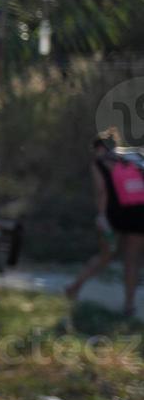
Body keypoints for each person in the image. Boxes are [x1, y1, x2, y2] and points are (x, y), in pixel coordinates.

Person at [65, 130, 144, 318]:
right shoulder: (133, 157)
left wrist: (101, 217)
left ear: (98, 147)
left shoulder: (99, 162)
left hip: (115, 215)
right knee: (132, 260)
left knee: (106, 254)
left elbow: (102, 192)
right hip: (140, 213)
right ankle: (129, 305)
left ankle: (74, 288)